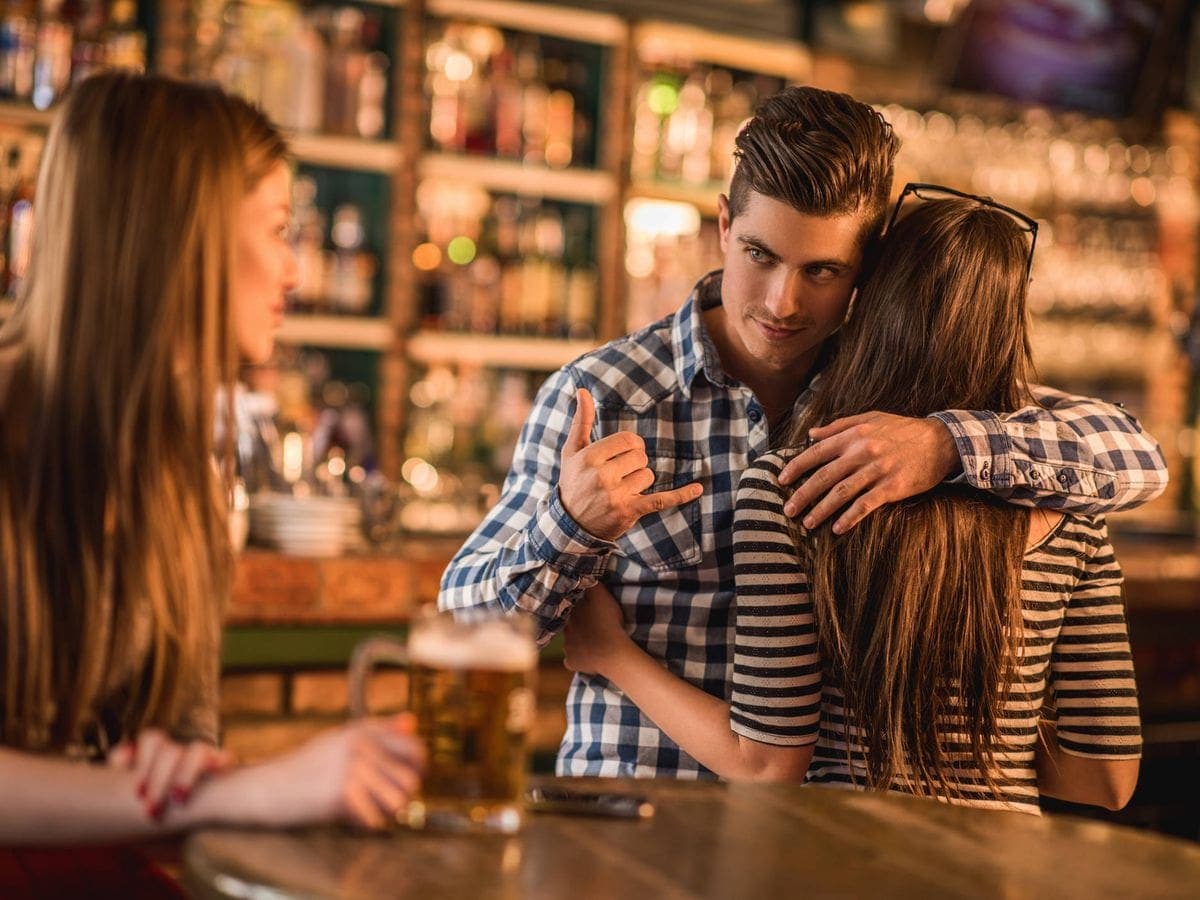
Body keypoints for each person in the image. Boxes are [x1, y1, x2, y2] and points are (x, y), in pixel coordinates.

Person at [438, 86, 1166, 779]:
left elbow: (1136, 458)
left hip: (804, 839)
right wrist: (570, 527)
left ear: (867, 269)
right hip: (639, 807)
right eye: (759, 255)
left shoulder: (895, 396)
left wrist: (943, 446)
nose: (783, 302)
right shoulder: (603, 395)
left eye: (822, 270)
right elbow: (464, 630)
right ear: (724, 226)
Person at [561, 191, 1141, 814]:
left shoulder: (793, 488)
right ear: (1012, 323)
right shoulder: (1073, 513)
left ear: (865, 299)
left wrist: (611, 654)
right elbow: (1107, 779)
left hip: (839, 860)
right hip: (1003, 873)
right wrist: (981, 748)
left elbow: (764, 764)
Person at [0, 72, 422, 846]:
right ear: (180, 233)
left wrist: (177, 768)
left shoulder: (182, 468)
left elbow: (179, 749)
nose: (294, 271)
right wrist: (223, 793)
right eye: (275, 229)